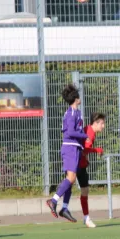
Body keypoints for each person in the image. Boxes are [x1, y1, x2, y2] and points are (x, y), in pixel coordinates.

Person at [46, 84, 87, 223]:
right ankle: (53, 201)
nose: (80, 98)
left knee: (71, 180)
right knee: (71, 178)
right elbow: (69, 132)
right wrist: (84, 135)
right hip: (69, 147)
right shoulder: (70, 113)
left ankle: (64, 208)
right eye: (78, 96)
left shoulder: (77, 112)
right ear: (75, 98)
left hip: (75, 148)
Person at [76, 112, 105, 229]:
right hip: (78, 164)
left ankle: (86, 217)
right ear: (96, 123)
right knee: (83, 191)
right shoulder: (90, 133)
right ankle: (86, 218)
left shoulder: (88, 129)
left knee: (84, 190)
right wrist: (97, 150)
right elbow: (85, 149)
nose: (103, 126)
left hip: (79, 163)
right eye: (102, 123)